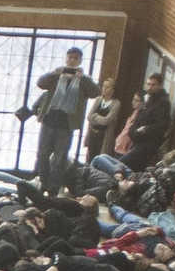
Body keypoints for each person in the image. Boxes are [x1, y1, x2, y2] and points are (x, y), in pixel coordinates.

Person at [34, 47, 102, 196]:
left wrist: (82, 78)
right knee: (42, 155)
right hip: (49, 120)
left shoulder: (84, 80)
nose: (72, 61)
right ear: (66, 58)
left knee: (60, 158)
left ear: (80, 61)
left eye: (75, 58)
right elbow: (40, 83)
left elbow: (95, 92)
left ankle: (53, 187)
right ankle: (43, 183)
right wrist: (54, 73)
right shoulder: (57, 76)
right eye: (70, 57)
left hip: (66, 125)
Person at [122, 74, 172, 171]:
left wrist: (144, 129)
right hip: (137, 141)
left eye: (153, 85)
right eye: (148, 84)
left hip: (147, 144)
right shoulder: (149, 98)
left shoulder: (163, 102)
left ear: (160, 86)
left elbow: (164, 124)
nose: (150, 87)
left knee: (121, 165)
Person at [86, 78, 119, 158]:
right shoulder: (98, 100)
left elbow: (106, 121)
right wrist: (96, 118)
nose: (104, 88)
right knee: (90, 156)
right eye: (103, 86)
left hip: (103, 135)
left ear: (113, 90)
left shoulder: (116, 103)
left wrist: (96, 116)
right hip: (92, 133)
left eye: (107, 87)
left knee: (99, 157)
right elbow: (89, 117)